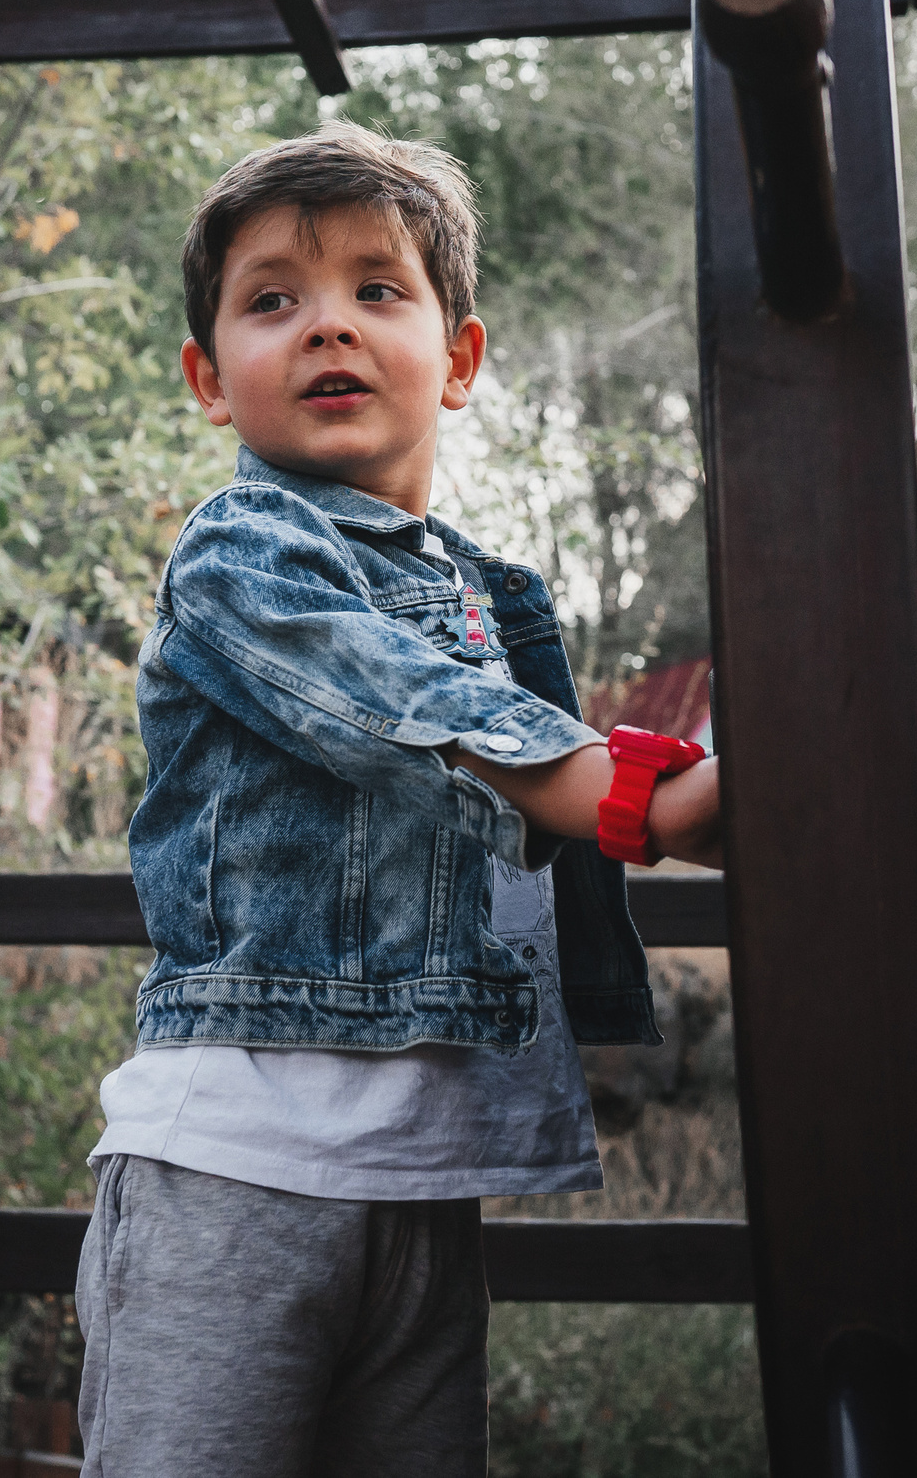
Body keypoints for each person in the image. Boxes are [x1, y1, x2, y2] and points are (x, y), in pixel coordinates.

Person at [75, 122, 724, 1477]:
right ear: (210, 379)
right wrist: (644, 798)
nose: (328, 329)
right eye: (274, 302)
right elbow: (404, 711)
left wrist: (671, 783)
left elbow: (515, 744)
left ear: (462, 359)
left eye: (378, 290)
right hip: (240, 1168)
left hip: (421, 1176)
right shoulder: (239, 555)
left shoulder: (488, 598)